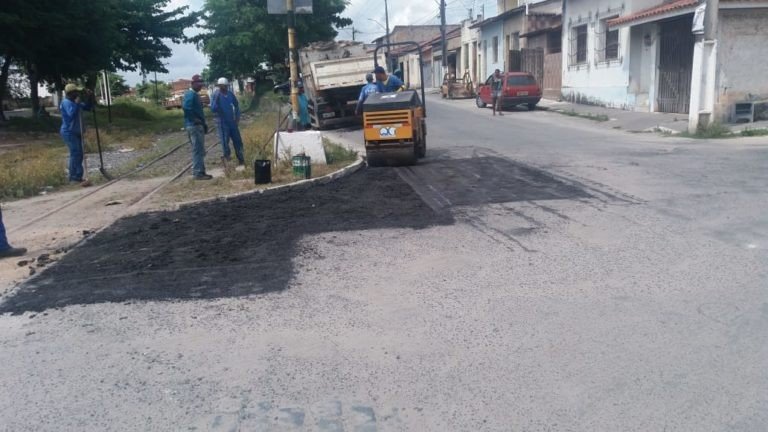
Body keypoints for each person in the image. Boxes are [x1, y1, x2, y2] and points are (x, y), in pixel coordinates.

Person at [60, 83, 93, 185]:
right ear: (71, 93)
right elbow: (71, 114)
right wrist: (77, 104)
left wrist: (90, 97)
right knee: (76, 153)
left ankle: (78, 176)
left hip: (77, 131)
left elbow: (87, 107)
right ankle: (74, 177)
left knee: (79, 154)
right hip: (69, 132)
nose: (78, 93)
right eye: (76, 92)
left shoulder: (74, 102)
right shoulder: (66, 102)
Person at [210, 77, 245, 170]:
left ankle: (241, 159)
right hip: (222, 123)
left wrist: (237, 117)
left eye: (226, 86)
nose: (225, 88)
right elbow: (213, 109)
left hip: (232, 122)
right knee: (225, 143)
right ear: (220, 86)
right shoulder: (215, 95)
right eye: (223, 86)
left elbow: (236, 105)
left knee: (238, 141)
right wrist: (216, 101)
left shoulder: (230, 94)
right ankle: (228, 161)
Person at [183, 74, 212, 180]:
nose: (200, 85)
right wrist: (194, 119)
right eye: (198, 83)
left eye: (201, 83)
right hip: (194, 126)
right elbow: (186, 107)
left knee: (199, 149)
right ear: (193, 84)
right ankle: (198, 173)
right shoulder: (191, 94)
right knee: (198, 150)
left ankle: (201, 171)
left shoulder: (194, 94)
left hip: (197, 125)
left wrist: (203, 124)